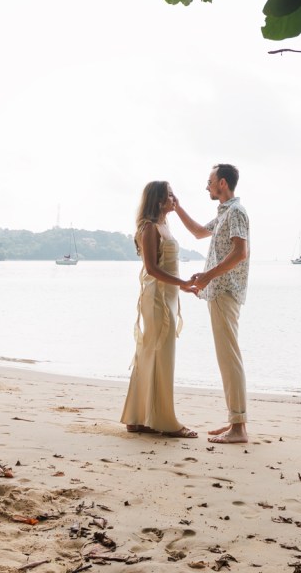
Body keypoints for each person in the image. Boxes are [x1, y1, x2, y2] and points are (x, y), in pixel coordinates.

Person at [174, 163, 250, 445]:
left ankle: (239, 428)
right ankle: (235, 420)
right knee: (226, 357)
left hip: (225, 291)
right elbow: (196, 232)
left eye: (209, 181)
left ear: (222, 183)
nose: (206, 186)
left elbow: (240, 253)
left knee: (229, 357)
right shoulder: (224, 214)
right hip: (218, 291)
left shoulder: (236, 212)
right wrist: (178, 207)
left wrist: (207, 276)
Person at [119, 180, 198, 438]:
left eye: (174, 194)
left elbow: (167, 265)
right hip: (157, 298)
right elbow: (152, 269)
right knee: (157, 354)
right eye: (170, 195)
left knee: (152, 353)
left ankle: (138, 417)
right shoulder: (151, 228)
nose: (174, 199)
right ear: (158, 200)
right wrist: (182, 283)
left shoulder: (165, 226)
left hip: (168, 294)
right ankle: (163, 420)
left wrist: (181, 287)